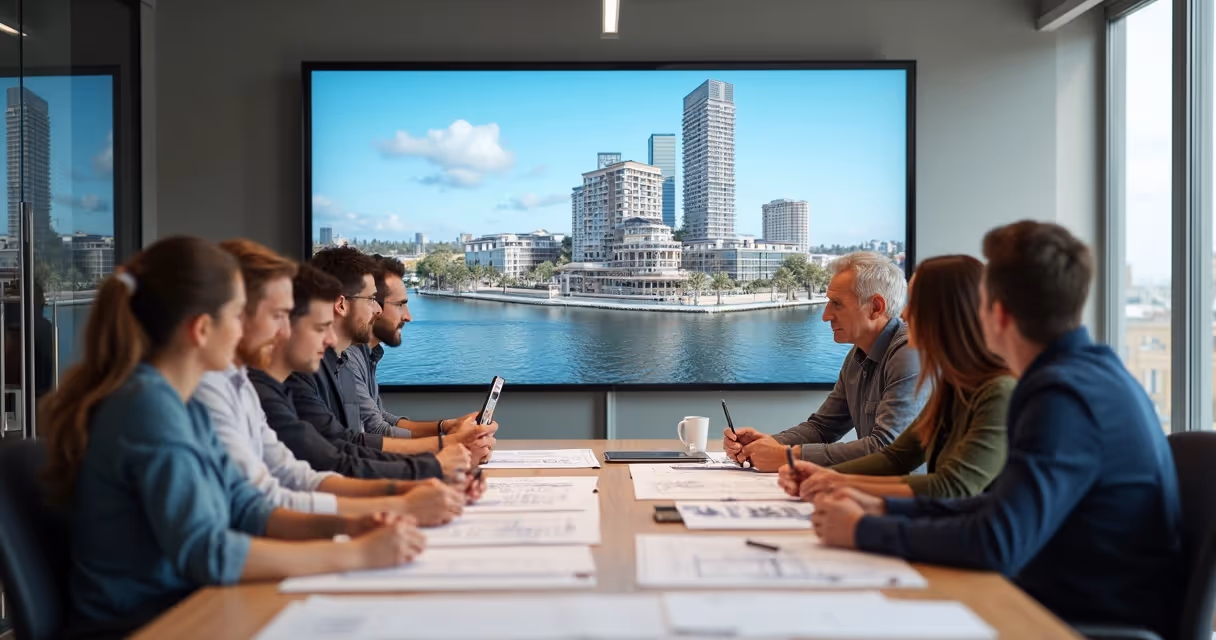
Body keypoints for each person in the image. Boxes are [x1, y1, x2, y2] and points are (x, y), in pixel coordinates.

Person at [805, 222, 1184, 638]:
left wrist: (863, 529)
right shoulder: (1083, 376)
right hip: (1062, 595)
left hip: (1077, 620)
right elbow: (994, 508)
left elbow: (997, 540)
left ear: (997, 312)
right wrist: (882, 508)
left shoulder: (1062, 396)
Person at [41, 237, 426, 631]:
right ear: (203, 329)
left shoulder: (180, 398)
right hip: (148, 622)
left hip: (190, 603)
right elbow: (208, 551)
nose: (273, 331)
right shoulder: (148, 406)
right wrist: (355, 555)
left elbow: (247, 506)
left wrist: (349, 524)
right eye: (239, 315)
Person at [194, 239, 465, 525]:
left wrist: (411, 486)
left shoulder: (241, 386)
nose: (330, 339)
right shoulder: (229, 388)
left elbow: (298, 476)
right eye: (279, 316)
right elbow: (319, 466)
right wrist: (410, 488)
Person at [780, 255, 1014, 500]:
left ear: (950, 314)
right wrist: (826, 477)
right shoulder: (954, 386)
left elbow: (953, 486)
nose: (904, 313)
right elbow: (897, 457)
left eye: (916, 303)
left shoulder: (999, 392)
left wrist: (833, 483)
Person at [251, 263, 483, 495]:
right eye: (320, 327)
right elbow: (338, 457)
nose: (378, 310)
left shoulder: (331, 365)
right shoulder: (286, 383)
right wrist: (436, 458)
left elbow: (342, 450)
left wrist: (434, 461)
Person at [723, 252, 924, 471]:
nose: (825, 315)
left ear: (876, 307)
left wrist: (790, 456)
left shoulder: (909, 354)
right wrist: (768, 445)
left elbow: (884, 449)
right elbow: (823, 427)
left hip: (908, 500)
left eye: (836, 304)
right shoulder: (857, 356)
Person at [294, 247, 492, 460]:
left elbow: (354, 441)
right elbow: (351, 443)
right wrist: (445, 447)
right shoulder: (309, 371)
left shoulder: (339, 362)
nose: (377, 310)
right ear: (341, 305)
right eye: (371, 299)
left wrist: (446, 433)